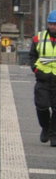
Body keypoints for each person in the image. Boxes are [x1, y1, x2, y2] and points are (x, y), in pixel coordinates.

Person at [30, 10, 56, 145]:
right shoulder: (38, 38)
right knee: (42, 106)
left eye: (55, 24)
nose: (53, 26)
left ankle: (53, 134)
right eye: (51, 24)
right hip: (43, 79)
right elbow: (32, 56)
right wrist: (36, 69)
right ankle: (45, 127)